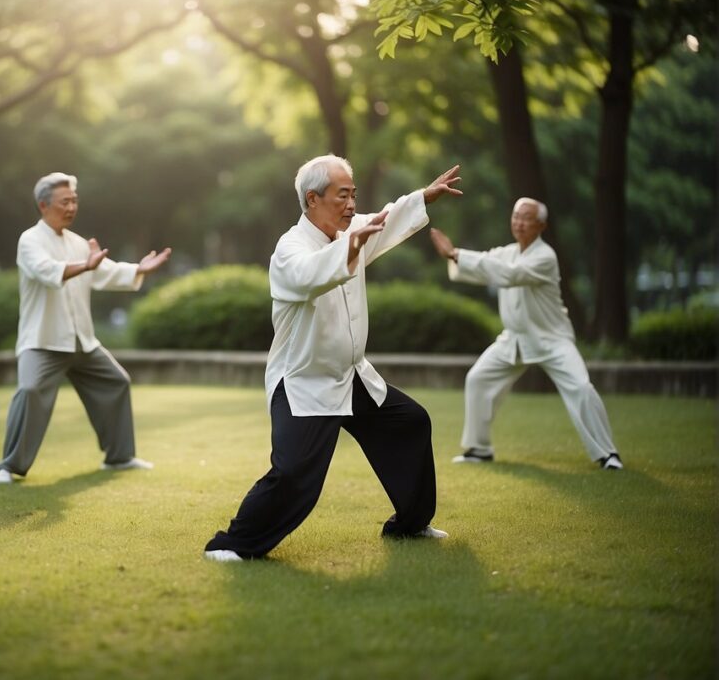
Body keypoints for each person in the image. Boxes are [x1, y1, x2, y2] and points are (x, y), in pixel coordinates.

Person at [203, 155, 462, 562]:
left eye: (354, 195)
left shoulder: (350, 231)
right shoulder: (290, 249)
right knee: (293, 474)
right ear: (312, 198)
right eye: (343, 196)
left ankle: (409, 524)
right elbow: (309, 275)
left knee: (410, 423)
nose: (352, 205)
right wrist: (351, 248)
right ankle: (231, 544)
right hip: (305, 381)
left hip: (352, 376)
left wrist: (422, 197)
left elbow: (385, 219)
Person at [0, 172, 172, 483]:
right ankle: (8, 467)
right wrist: (86, 266)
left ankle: (119, 457)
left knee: (117, 382)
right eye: (65, 201)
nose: (72, 207)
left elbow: (104, 272)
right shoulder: (30, 241)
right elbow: (48, 272)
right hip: (43, 341)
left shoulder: (77, 243)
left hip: (81, 341)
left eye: (75, 200)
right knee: (31, 390)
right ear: (43, 205)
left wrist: (137, 270)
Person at [429, 197, 623, 470]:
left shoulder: (545, 257)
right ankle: (479, 449)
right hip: (514, 339)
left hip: (552, 339)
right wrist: (456, 255)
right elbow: (486, 265)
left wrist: (456, 254)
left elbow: (510, 275)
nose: (518, 223)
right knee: (478, 379)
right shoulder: (508, 252)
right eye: (515, 217)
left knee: (580, 388)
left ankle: (608, 454)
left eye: (526, 218)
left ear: (541, 225)